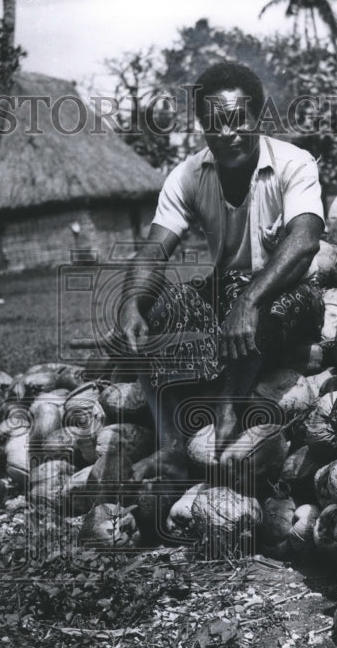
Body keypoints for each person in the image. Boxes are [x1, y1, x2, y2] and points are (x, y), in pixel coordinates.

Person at [116, 61, 326, 457]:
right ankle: (175, 435)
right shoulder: (187, 175)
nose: (227, 134)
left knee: (267, 304)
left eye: (237, 121)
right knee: (161, 306)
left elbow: (304, 242)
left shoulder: (294, 162)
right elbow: (153, 250)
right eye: (214, 124)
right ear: (202, 125)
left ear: (258, 118)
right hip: (227, 289)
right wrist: (131, 304)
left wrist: (250, 300)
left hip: (290, 292)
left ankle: (228, 406)